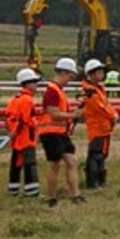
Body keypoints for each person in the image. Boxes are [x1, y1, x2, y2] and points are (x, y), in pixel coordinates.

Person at [39, 56, 81, 206]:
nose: (70, 80)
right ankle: (52, 198)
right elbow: (54, 114)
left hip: (60, 133)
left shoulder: (58, 91)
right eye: (70, 76)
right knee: (55, 165)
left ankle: (75, 195)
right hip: (50, 133)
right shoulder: (52, 91)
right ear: (63, 73)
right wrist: (72, 115)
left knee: (71, 161)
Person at [80, 59, 117, 191]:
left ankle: (99, 182)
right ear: (91, 74)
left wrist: (112, 115)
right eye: (99, 72)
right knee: (95, 155)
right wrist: (113, 116)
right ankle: (93, 183)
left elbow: (105, 104)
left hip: (103, 126)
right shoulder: (91, 91)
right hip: (97, 127)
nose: (102, 74)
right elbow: (101, 107)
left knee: (100, 155)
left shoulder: (97, 89)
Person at [5, 68, 41, 197]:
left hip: (17, 138)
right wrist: (36, 125)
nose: (36, 85)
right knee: (30, 164)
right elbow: (27, 120)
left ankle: (13, 189)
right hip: (26, 137)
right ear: (27, 83)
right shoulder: (27, 100)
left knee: (15, 165)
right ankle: (32, 191)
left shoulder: (16, 98)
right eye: (34, 82)